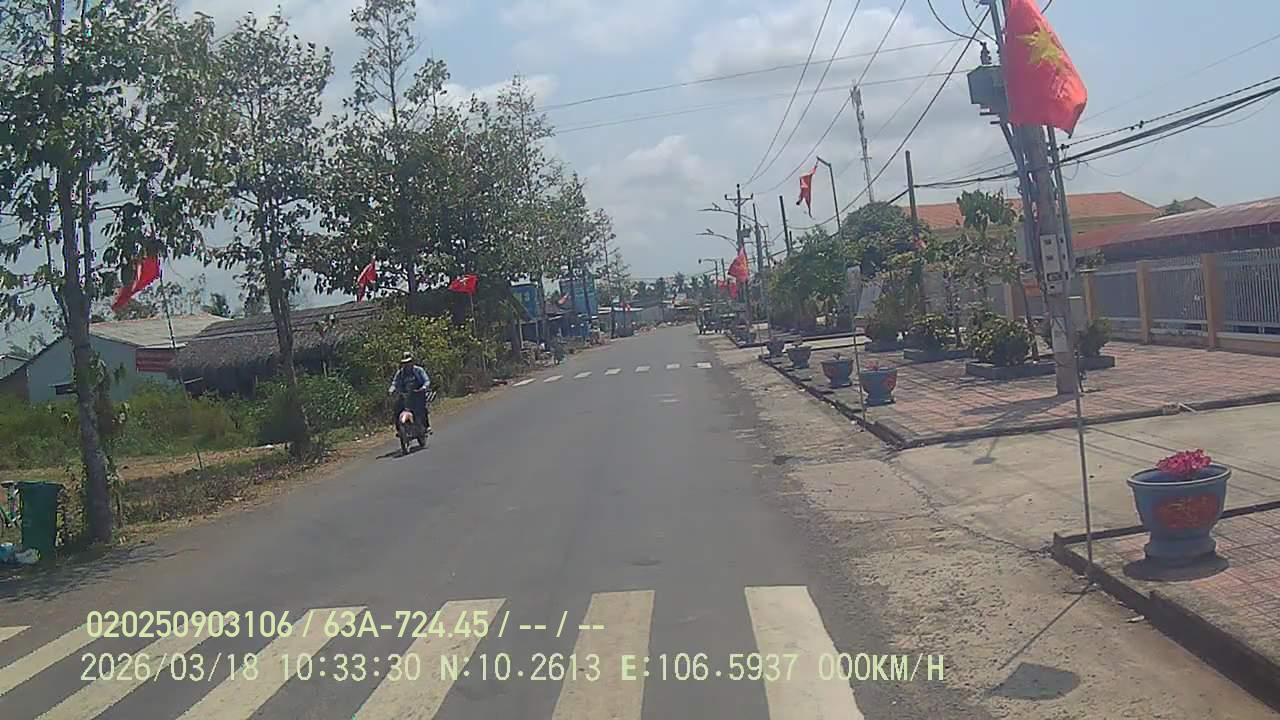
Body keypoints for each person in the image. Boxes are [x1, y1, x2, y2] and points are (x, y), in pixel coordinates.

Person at [388, 351, 431, 432]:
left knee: (421, 409)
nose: (407, 364)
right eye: (405, 363)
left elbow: (426, 380)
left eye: (408, 362)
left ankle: (426, 425)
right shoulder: (400, 373)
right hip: (405, 395)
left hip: (418, 393)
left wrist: (424, 387)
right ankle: (399, 429)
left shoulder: (419, 370)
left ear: (412, 362)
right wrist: (391, 390)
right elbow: (395, 383)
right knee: (397, 409)